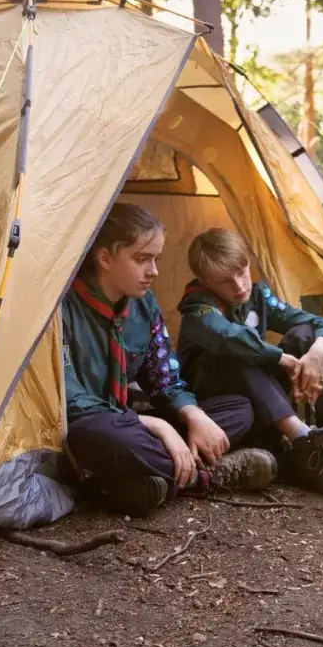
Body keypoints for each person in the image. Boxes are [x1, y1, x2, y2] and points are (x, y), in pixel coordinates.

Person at [63, 204, 277, 517]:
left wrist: (193, 416)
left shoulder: (143, 304)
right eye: (142, 259)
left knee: (238, 409)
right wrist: (158, 425)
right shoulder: (63, 308)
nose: (154, 271)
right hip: (95, 429)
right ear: (105, 257)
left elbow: (163, 378)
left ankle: (140, 482)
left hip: (130, 429)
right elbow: (71, 402)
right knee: (98, 435)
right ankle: (206, 475)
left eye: (157, 259)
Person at [176, 228, 323, 496]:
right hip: (221, 405)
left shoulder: (256, 296)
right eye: (225, 281)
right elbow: (231, 338)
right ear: (206, 281)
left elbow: (316, 323)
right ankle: (303, 443)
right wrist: (284, 360)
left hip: (257, 393)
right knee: (236, 351)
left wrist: (317, 352)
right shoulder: (197, 306)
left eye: (242, 272)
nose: (240, 286)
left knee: (306, 335)